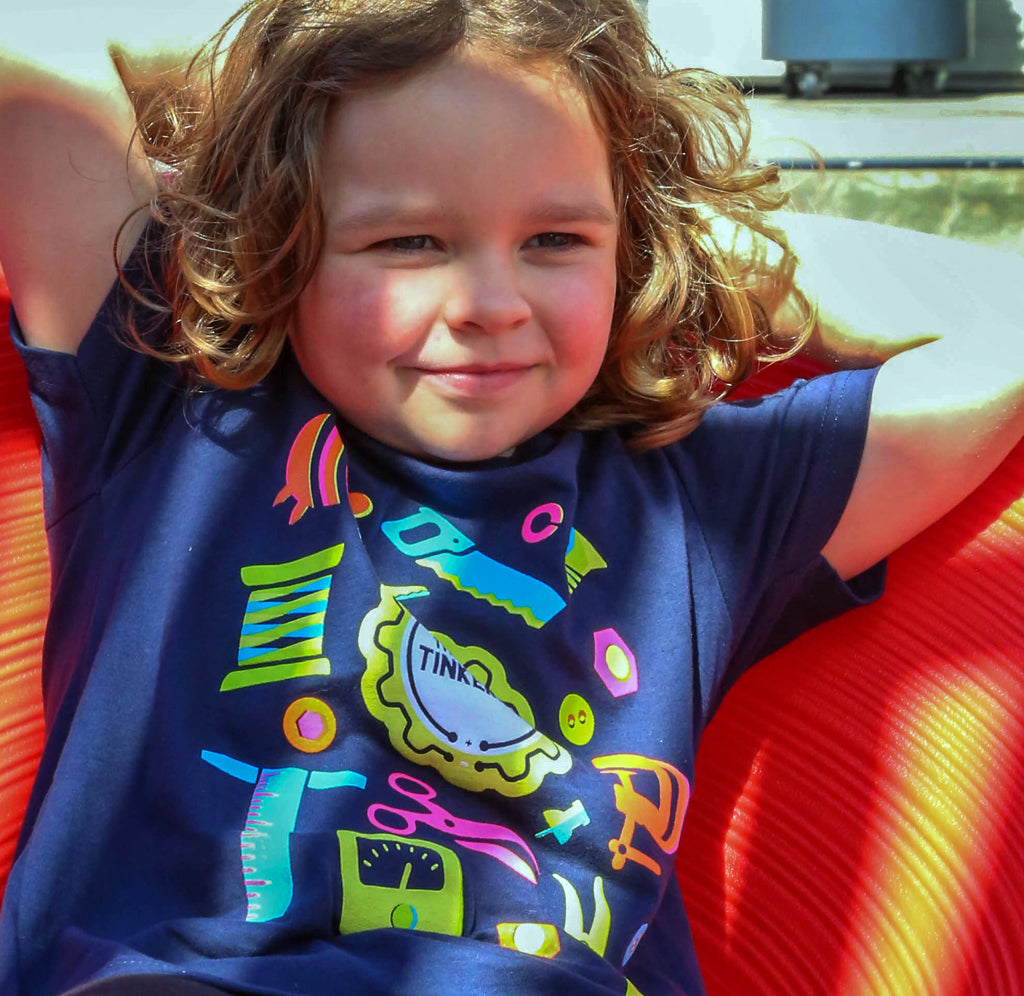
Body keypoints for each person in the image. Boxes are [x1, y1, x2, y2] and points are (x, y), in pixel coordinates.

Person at [1, 1, 1022, 993]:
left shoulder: (703, 505)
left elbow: (1003, 333)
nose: (490, 307)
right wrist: (341, 45)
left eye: (555, 241)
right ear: (282, 236)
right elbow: (28, 50)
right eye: (407, 242)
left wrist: (727, 265)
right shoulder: (164, 395)